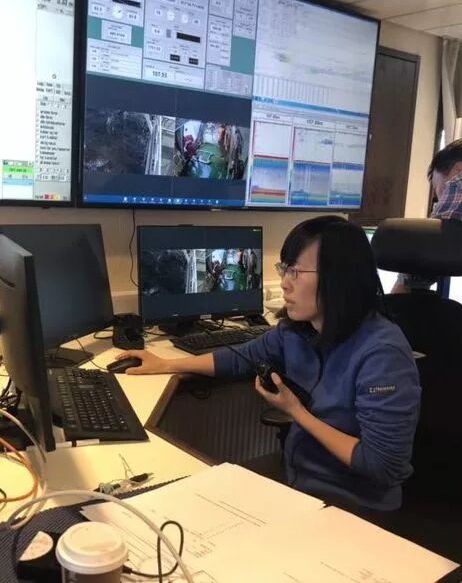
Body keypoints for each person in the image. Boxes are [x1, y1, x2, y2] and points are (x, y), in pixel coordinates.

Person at [117, 216, 421, 511]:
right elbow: (240, 358)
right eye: (284, 269)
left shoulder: (382, 353)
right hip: (300, 480)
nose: (284, 284)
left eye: (295, 272)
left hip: (354, 504)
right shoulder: (299, 331)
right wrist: (166, 364)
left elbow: (382, 466)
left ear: (338, 278)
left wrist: (296, 412)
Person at [393, 138, 462, 292]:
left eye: (439, 189)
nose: (440, 200)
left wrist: (386, 305)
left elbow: (423, 258)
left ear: (459, 170)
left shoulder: (461, 184)